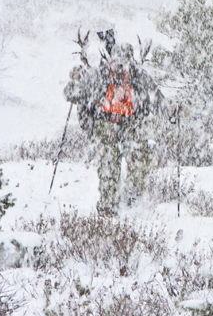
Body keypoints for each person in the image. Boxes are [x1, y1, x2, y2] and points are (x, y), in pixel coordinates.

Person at [64, 29, 164, 216]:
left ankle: (132, 200)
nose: (120, 68)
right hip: (104, 125)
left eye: (124, 64)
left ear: (130, 63)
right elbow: (71, 95)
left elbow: (158, 101)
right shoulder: (98, 76)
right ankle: (107, 212)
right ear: (110, 62)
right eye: (116, 64)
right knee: (108, 169)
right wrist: (75, 82)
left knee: (140, 159)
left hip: (131, 125)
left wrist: (174, 112)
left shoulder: (139, 77)